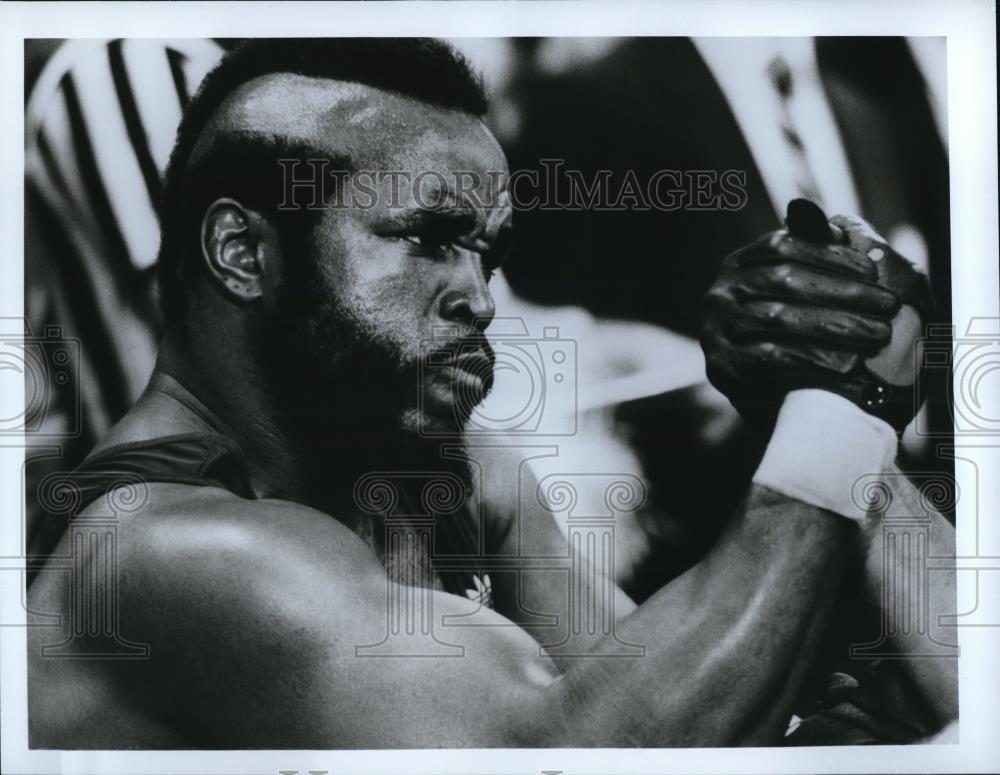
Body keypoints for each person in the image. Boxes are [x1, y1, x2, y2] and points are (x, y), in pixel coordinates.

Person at [27, 38, 955, 748]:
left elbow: (741, 706)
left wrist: (814, 391)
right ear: (243, 252)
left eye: (487, 251)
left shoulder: (451, 474)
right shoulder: (167, 552)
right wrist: (839, 414)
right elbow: (579, 749)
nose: (479, 294)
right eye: (429, 236)